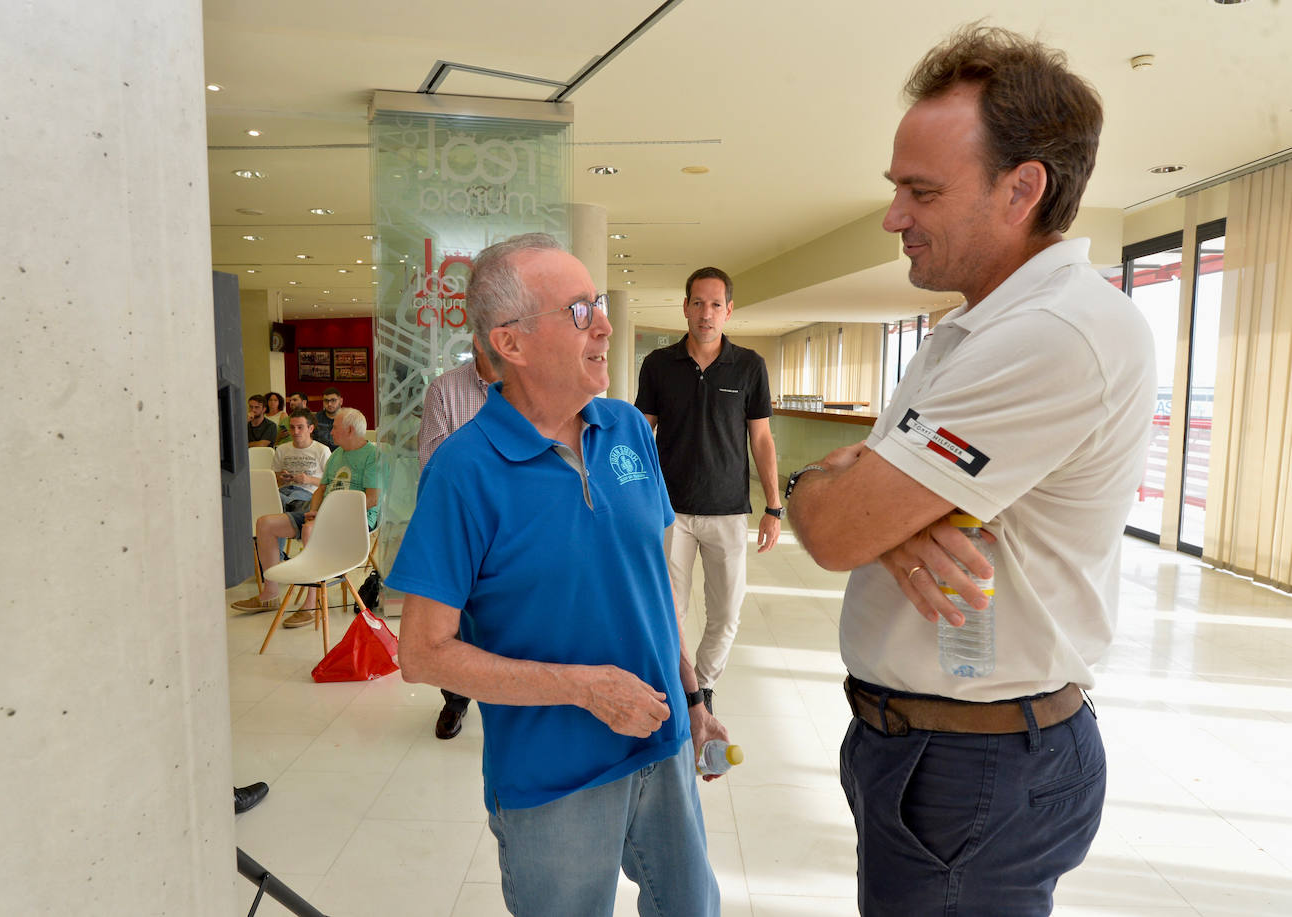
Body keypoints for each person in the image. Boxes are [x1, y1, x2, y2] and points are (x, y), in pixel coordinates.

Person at [785, 26, 1156, 916]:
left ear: (1021, 188)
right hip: (939, 750)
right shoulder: (978, 326)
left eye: (922, 190)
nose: (893, 216)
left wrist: (852, 501)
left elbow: (838, 526)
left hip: (970, 768)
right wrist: (859, 502)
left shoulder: (1051, 335)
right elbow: (845, 499)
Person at [389, 233, 724, 917]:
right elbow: (421, 653)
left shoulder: (627, 429)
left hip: (662, 743)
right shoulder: (462, 471)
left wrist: (695, 700)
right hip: (553, 780)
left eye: (598, 304)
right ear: (509, 343)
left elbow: (652, 587)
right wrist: (583, 688)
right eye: (579, 311)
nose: (604, 324)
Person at [635, 266, 782, 713]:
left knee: (725, 614)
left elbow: (761, 438)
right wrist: (634, 499)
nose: (706, 313)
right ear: (684, 307)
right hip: (669, 511)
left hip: (727, 511)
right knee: (669, 613)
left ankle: (704, 685)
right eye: (697, 303)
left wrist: (773, 506)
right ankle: (683, 690)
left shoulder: (750, 366)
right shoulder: (659, 365)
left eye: (715, 304)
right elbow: (643, 433)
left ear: (729, 311)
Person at [232, 407, 384, 629]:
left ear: (350, 430)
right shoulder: (337, 454)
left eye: (335, 428)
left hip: (356, 520)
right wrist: (314, 511)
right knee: (265, 524)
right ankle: (270, 593)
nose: (330, 432)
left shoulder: (373, 456)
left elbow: (371, 500)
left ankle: (311, 606)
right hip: (325, 515)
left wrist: (324, 515)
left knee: (309, 530)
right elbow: (321, 490)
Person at [415, 340, 499, 740]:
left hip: (518, 522)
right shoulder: (445, 390)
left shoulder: (530, 384)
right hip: (460, 519)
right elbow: (433, 459)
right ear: (478, 341)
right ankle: (455, 699)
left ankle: (515, 704)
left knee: (514, 614)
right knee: (458, 619)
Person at [272, 409, 330, 512]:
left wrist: (309, 480)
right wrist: (282, 478)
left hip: (308, 493)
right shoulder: (281, 449)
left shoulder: (322, 450)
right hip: (284, 491)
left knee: (291, 502)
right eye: (292, 427)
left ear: (310, 428)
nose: (295, 432)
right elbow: (274, 479)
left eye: (300, 427)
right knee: (274, 498)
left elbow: (330, 483)